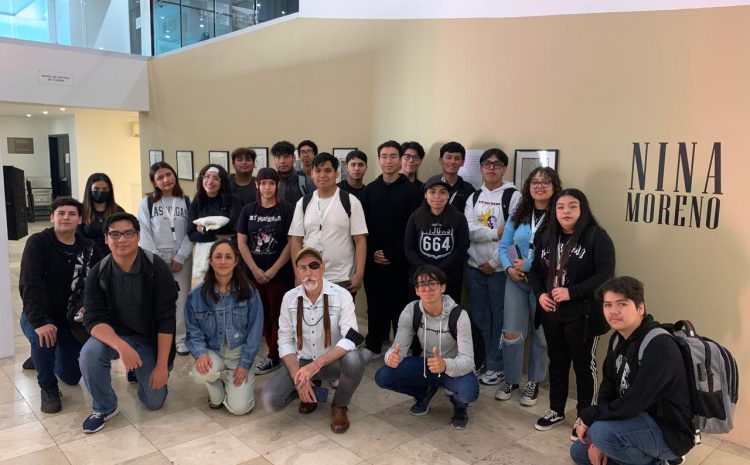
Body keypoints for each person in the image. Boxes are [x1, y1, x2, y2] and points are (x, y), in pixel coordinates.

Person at [570, 276, 694, 465]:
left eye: (622, 304)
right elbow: (608, 389)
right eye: (608, 305)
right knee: (580, 451)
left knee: (602, 434)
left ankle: (661, 461)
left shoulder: (659, 346)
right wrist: (596, 441)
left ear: (640, 308)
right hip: (636, 421)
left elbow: (632, 404)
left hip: (668, 432)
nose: (613, 312)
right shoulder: (618, 338)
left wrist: (589, 418)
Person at [79, 212, 178, 433]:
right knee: (89, 354)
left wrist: (161, 366)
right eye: (114, 234)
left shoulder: (156, 268)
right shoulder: (98, 272)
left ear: (138, 236)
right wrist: (121, 346)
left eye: (128, 233)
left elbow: (166, 319)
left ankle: (141, 373)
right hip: (115, 336)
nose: (121, 239)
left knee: (154, 402)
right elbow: (93, 319)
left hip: (148, 339)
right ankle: (104, 406)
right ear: (106, 239)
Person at [529, 188, 616, 434]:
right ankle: (556, 409)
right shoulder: (547, 236)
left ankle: (584, 417)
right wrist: (540, 295)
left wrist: (572, 292)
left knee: (583, 365)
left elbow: (605, 275)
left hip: (584, 314)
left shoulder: (596, 237)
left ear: (582, 209)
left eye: (572, 206)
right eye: (560, 207)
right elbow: (535, 271)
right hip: (552, 313)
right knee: (557, 362)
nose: (566, 211)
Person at [260, 247, 365, 434]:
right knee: (270, 401)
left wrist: (317, 364)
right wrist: (297, 377)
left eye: (313, 266)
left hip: (331, 362)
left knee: (355, 360)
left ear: (323, 268)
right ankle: (310, 390)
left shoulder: (342, 295)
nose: (308, 272)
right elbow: (284, 341)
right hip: (301, 363)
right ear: (297, 271)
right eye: (302, 267)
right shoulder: (289, 298)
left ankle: (340, 404)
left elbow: (351, 338)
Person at [19, 197, 102, 413]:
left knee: (72, 377)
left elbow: (100, 281)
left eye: (72, 214)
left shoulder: (89, 248)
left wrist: (89, 308)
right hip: (39, 315)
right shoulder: (38, 242)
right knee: (44, 338)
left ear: (80, 219)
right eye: (61, 213)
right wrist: (38, 322)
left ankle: (41, 358)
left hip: (70, 319)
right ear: (52, 217)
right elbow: (30, 284)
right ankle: (48, 386)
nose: (66, 217)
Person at [375, 265, 479, 429]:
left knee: (469, 391)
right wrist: (391, 357)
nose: (427, 289)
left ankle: (459, 405)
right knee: (383, 376)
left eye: (433, 283)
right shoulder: (411, 311)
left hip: (451, 366)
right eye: (422, 285)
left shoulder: (459, 315)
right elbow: (398, 348)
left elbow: (468, 361)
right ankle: (423, 393)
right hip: (427, 364)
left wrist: (445, 365)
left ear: (442, 287)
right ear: (417, 290)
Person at [495, 167, 561, 404]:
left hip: (544, 284)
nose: (540, 186)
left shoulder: (558, 215)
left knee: (541, 335)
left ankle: (534, 381)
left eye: (546, 182)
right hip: (516, 281)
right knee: (511, 332)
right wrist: (510, 268)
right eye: (535, 182)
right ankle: (512, 380)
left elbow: (559, 254)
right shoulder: (519, 212)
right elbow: (505, 246)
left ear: (554, 187)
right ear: (528, 186)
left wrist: (530, 266)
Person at [185, 239, 264, 415]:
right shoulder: (196, 295)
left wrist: (245, 363)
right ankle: (217, 390)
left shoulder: (250, 292)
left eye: (228, 257)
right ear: (211, 261)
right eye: (218, 257)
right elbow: (193, 331)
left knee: (239, 409)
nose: (223, 261)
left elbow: (255, 331)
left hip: (239, 354)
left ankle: (234, 384)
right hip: (213, 350)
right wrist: (201, 353)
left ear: (236, 262)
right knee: (201, 372)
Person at [465, 148, 521, 384]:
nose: (491, 168)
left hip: (499, 270)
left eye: (497, 164)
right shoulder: (474, 196)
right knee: (479, 318)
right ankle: (483, 361)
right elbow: (467, 230)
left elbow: (513, 236)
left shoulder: (513, 196)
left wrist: (494, 262)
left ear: (504, 168)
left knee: (500, 318)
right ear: (480, 167)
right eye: (487, 163)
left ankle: (497, 365)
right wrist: (494, 233)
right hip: (473, 267)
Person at [361, 141, 421, 361]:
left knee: (401, 307)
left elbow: (413, 227)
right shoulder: (370, 190)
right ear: (379, 160)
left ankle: (400, 347)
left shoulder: (411, 191)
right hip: (373, 259)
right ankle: (374, 345)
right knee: (375, 304)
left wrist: (394, 254)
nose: (388, 161)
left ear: (400, 159)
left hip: (401, 260)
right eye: (384, 156)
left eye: (393, 156)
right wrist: (374, 252)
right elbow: (363, 226)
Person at [236, 167, 295, 375]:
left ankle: (275, 355)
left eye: (271, 183)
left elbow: (291, 242)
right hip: (253, 275)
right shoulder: (249, 210)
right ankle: (271, 352)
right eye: (263, 183)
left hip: (280, 274)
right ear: (257, 185)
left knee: (278, 315)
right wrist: (254, 268)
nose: (267, 187)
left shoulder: (287, 209)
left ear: (277, 185)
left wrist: (273, 270)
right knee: (260, 315)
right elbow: (241, 241)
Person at [289, 153, 368, 295]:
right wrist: (297, 273)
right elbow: (295, 240)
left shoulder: (350, 201)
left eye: (328, 170)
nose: (322, 175)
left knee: (339, 317)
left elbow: (360, 240)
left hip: (341, 277)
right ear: (312, 174)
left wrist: (359, 273)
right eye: (317, 171)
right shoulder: (303, 203)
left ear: (336, 174)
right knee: (311, 317)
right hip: (309, 275)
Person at [138, 162, 193, 356]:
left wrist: (181, 256)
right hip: (156, 258)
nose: (165, 180)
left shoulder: (187, 201)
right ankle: (157, 336)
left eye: (168, 174)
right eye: (160, 177)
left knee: (181, 298)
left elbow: (191, 231)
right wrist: (157, 261)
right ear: (154, 181)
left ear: (175, 175)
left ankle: (180, 339)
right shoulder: (147, 203)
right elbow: (144, 233)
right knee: (157, 298)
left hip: (181, 258)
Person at [404, 175, 469, 304]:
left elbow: (461, 249)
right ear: (425, 195)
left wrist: (438, 272)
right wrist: (426, 271)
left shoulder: (459, 218)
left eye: (442, 192)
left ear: (448, 196)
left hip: (449, 278)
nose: (437, 196)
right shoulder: (416, 217)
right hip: (421, 278)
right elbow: (409, 249)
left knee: (448, 316)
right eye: (432, 192)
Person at [187, 164, 243, 243]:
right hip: (203, 250)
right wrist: (216, 236)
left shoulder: (233, 200)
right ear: (201, 179)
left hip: (228, 247)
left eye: (216, 178)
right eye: (207, 176)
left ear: (222, 182)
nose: (210, 182)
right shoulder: (196, 202)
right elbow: (191, 235)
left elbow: (235, 227)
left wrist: (203, 229)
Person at [78, 172, 125, 256]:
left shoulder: (118, 211)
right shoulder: (80, 211)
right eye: (96, 189)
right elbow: (78, 237)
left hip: (114, 255)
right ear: (89, 190)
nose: (100, 192)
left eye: (105, 189)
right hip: (88, 255)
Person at [272, 140, 315, 204]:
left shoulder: (307, 181)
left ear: (294, 158)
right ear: (274, 160)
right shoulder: (270, 181)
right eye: (278, 157)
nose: (282, 161)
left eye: (286, 157)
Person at [438, 141, 476, 214]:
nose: (452, 161)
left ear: (462, 162)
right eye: (448, 157)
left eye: (457, 158)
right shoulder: (430, 186)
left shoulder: (469, 189)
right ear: (440, 160)